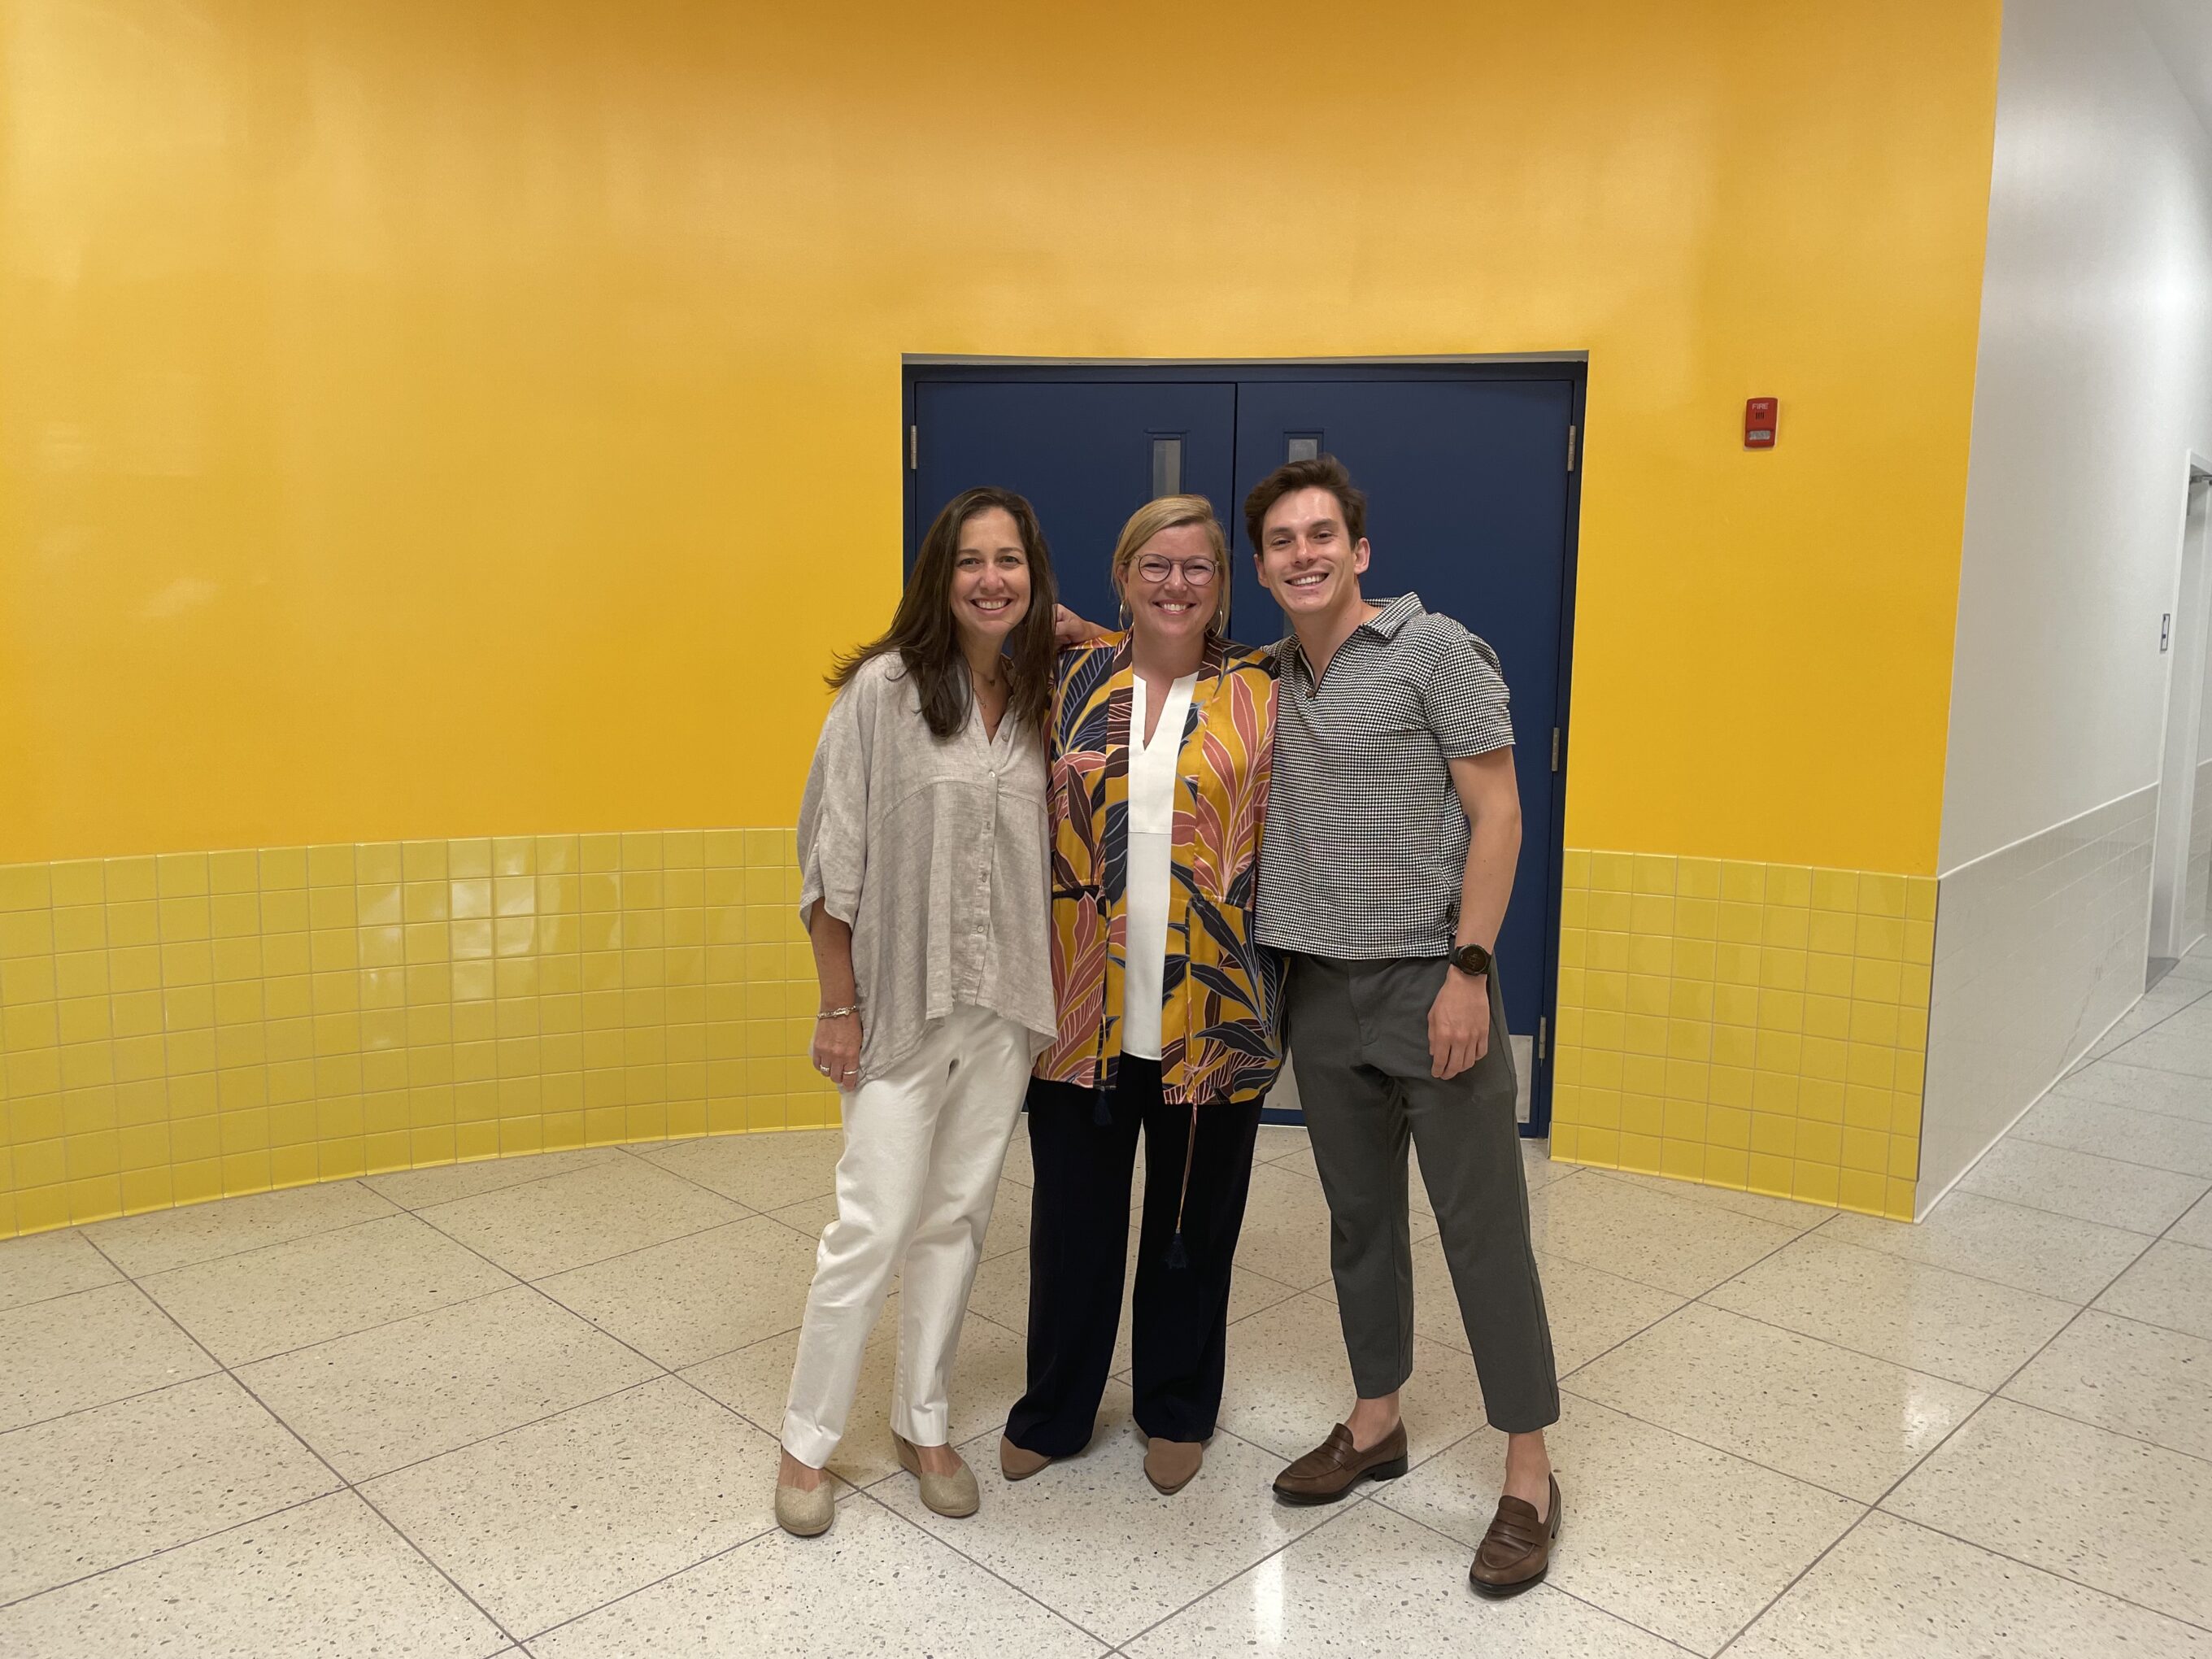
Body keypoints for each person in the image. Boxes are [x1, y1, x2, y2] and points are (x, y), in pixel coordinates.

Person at [1056, 455, 1562, 1596]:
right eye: (1281, 541)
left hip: (1433, 983)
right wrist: (1095, 626)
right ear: (1263, 565)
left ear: (1360, 548)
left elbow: (1499, 813)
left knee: (1483, 1234)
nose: (1304, 554)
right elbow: (1159, 663)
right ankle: (1374, 1417)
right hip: (1317, 998)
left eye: (1322, 534)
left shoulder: (1439, 651)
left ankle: (1528, 1472)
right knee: (1359, 1223)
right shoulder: (1267, 674)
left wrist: (1471, 972)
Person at [773, 486, 1060, 1539]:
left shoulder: (1043, 693)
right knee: (873, 1222)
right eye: (971, 560)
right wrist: (836, 1003)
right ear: (940, 576)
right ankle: (808, 1444)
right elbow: (828, 860)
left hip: (1004, 1008)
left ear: (1035, 576)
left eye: (1011, 561)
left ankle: (922, 1423)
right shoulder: (883, 696)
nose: (992, 578)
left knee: (958, 1219)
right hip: (896, 1006)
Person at [999, 495, 1280, 1499]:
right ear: (1122, 577)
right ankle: (1056, 1408)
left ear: (1221, 584)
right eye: (1155, 566)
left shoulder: (1262, 687)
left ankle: (1174, 1406)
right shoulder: (1067, 679)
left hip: (1213, 1014)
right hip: (1080, 1009)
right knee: (1072, 1226)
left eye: (1197, 567)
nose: (1175, 584)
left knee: (1191, 1229)